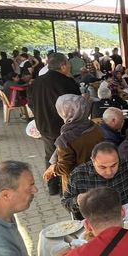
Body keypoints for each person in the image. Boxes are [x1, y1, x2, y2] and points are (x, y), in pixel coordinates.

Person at [29, 53, 81, 195]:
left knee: (50, 154)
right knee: (67, 156)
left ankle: (52, 186)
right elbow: (76, 104)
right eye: (68, 63)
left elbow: (31, 104)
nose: (70, 66)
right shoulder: (66, 82)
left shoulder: (36, 82)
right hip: (63, 126)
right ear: (63, 66)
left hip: (43, 125)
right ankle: (68, 188)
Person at [62, 141, 128, 219]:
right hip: (95, 222)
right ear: (93, 161)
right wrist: (77, 200)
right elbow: (65, 202)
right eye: (102, 167)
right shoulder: (78, 175)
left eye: (113, 165)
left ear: (118, 158)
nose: (109, 172)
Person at [43, 94, 104, 192]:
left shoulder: (66, 139)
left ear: (64, 112)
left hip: (78, 184)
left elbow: (64, 168)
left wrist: (53, 168)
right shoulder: (94, 127)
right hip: (98, 176)